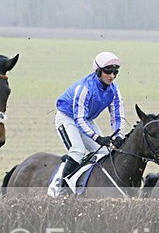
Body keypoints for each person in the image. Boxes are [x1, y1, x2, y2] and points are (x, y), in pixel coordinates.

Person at [54, 51, 126, 192]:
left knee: (105, 153)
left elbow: (117, 116)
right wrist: (97, 138)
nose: (112, 76)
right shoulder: (85, 88)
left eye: (115, 72)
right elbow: (78, 119)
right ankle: (62, 191)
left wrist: (119, 136)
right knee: (77, 151)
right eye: (108, 71)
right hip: (67, 118)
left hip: (86, 120)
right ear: (98, 70)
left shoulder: (114, 90)